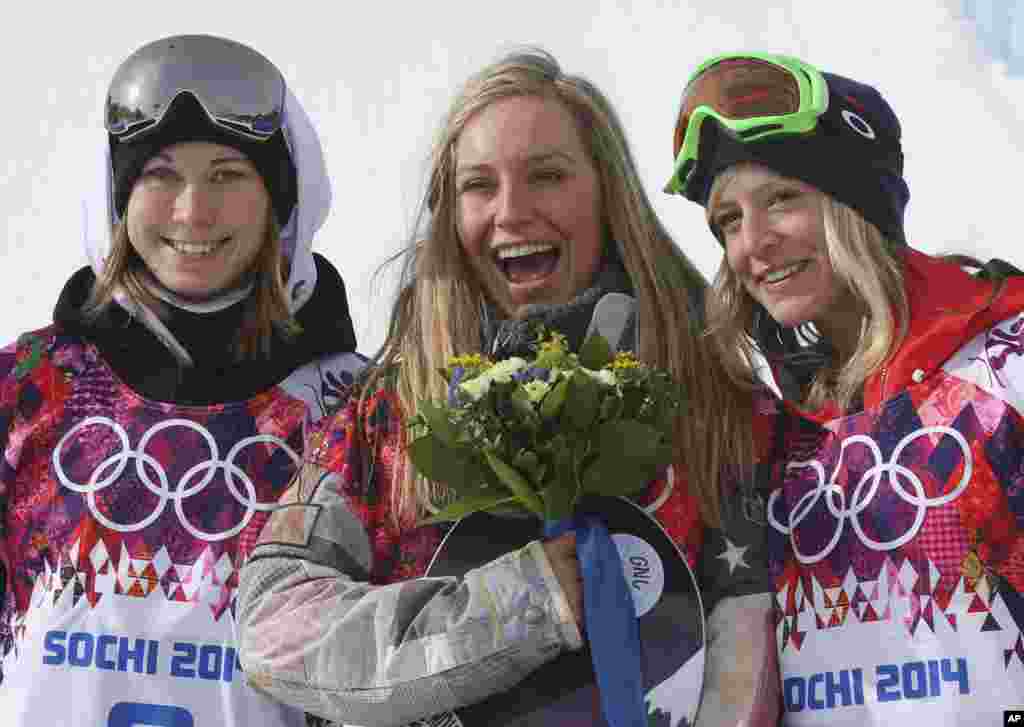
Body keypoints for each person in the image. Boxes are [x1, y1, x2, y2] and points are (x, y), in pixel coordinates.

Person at [237, 48, 780, 727]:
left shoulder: (714, 399)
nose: (511, 212)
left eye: (547, 176)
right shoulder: (391, 411)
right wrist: (514, 605)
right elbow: (275, 623)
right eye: (478, 186)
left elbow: (754, 650)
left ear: (607, 194)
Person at [0, 34, 365, 727]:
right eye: (161, 174)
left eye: (228, 175)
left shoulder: (359, 410)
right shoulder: (24, 392)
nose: (193, 212)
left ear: (280, 199)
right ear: (119, 194)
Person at [666, 51, 1024, 725]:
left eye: (780, 198)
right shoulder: (776, 430)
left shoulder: (1002, 368)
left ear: (852, 202)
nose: (754, 243)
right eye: (728, 221)